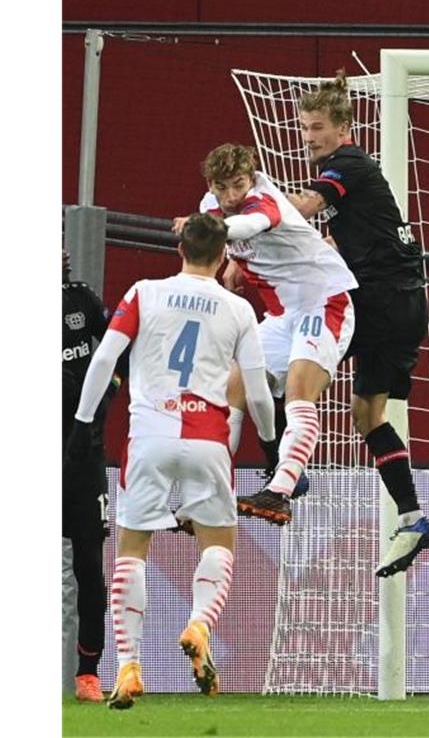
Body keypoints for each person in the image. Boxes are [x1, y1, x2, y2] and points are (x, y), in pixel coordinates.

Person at [65, 215, 277, 708]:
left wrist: (82, 423)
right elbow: (259, 391)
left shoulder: (144, 292)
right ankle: (200, 624)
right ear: (224, 255)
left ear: (179, 248)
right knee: (219, 542)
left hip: (149, 436)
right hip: (207, 439)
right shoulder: (238, 309)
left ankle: (129, 666)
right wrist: (269, 444)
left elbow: (102, 360)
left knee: (131, 550)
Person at [287, 71, 429, 577]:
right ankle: (414, 517)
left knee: (297, 367)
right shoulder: (358, 173)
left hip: (383, 303)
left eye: (318, 127)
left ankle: (285, 473)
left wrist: (245, 209)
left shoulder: (346, 163)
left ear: (344, 126)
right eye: (305, 127)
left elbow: (306, 206)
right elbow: (339, 242)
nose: (309, 137)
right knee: (366, 416)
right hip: (404, 304)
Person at [175, 143, 358, 525]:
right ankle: (211, 495)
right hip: (281, 313)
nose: (231, 196)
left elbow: (249, 227)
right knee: (232, 389)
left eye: (238, 184)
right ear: (211, 183)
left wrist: (204, 229)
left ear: (251, 176)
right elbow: (231, 237)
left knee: (298, 391)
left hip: (323, 302)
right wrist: (232, 262)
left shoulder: (262, 198)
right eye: (223, 187)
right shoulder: (211, 204)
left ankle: (280, 491)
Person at [62, 247, 122, 702]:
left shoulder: (81, 300)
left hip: (84, 457)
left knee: (89, 567)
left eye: (65, 240)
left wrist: (108, 396)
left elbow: (119, 348)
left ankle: (88, 674)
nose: (65, 251)